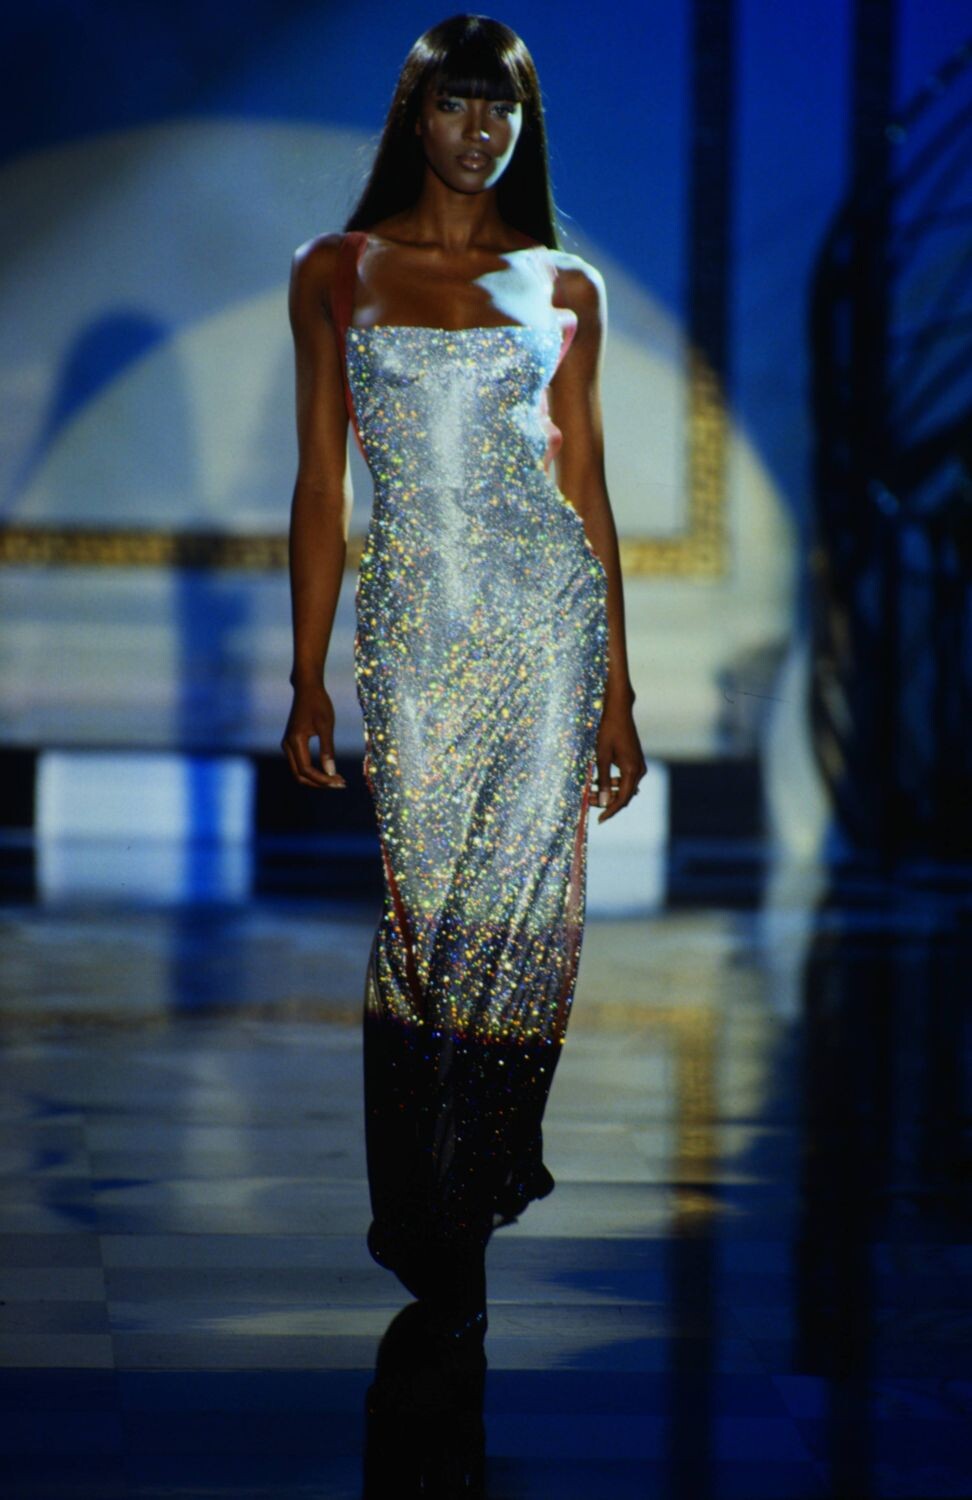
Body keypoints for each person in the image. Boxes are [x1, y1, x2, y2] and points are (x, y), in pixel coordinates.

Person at [281, 13, 646, 1353]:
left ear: (523, 126)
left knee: (526, 912)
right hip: (416, 632)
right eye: (458, 104)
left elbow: (585, 487)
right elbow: (322, 485)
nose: (480, 130)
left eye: (504, 108)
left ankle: (468, 1194)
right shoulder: (335, 270)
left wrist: (617, 693)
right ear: (416, 116)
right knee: (426, 911)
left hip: (546, 626)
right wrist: (306, 674)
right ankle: (424, 1194)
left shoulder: (565, 285)